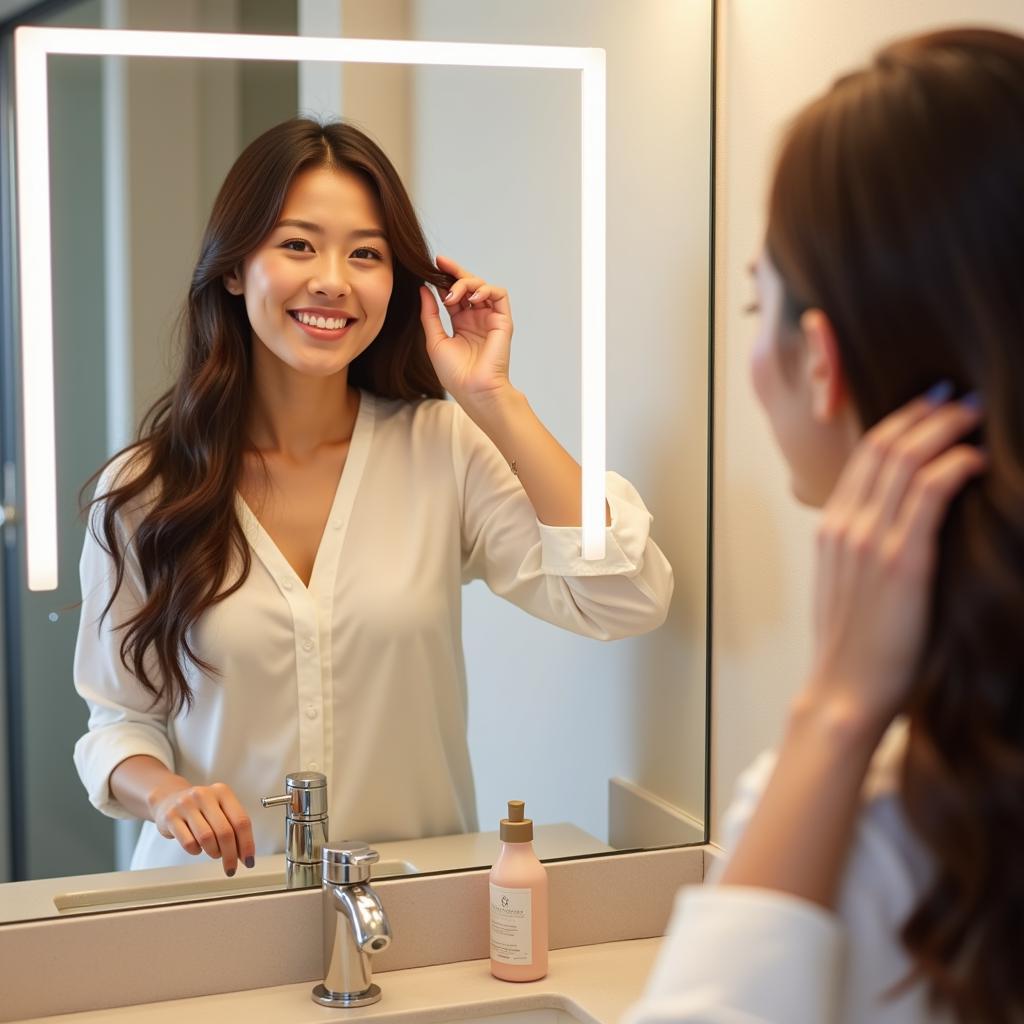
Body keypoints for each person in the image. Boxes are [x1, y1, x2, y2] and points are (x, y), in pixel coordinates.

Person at [72, 118, 673, 875]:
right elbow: (119, 720)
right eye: (298, 244)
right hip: (206, 913)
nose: (333, 279)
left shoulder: (444, 450)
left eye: (366, 253)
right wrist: (165, 795)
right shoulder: (144, 492)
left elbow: (624, 599)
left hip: (414, 919)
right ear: (234, 269)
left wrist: (494, 399)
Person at [628, 27, 1024, 1024]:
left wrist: (833, 712)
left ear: (818, 360)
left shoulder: (870, 818)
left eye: (756, 299)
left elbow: (617, 588)